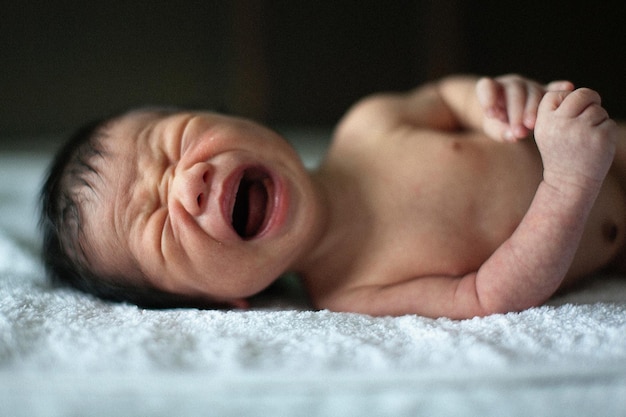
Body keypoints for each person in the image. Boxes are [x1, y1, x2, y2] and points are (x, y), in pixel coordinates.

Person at [40, 74, 625, 319]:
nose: (186, 185)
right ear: (218, 304)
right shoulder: (353, 293)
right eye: (162, 228)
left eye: (176, 144)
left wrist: (504, 102)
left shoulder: (368, 125)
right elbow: (488, 294)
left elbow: (451, 99)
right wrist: (568, 184)